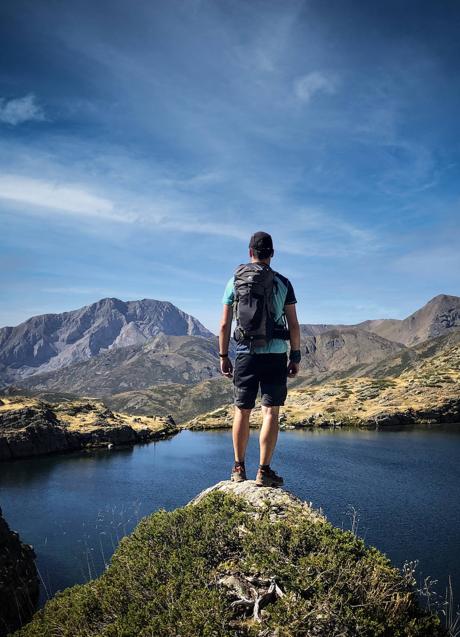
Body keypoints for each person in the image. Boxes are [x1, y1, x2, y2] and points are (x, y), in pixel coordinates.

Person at [219, 231, 301, 487]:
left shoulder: (235, 281)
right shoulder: (283, 283)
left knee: (242, 411)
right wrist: (295, 355)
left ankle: (238, 468)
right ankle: (264, 471)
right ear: (272, 254)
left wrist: (223, 355)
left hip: (245, 353)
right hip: (275, 353)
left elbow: (224, 324)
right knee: (269, 412)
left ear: (249, 252)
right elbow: (294, 325)